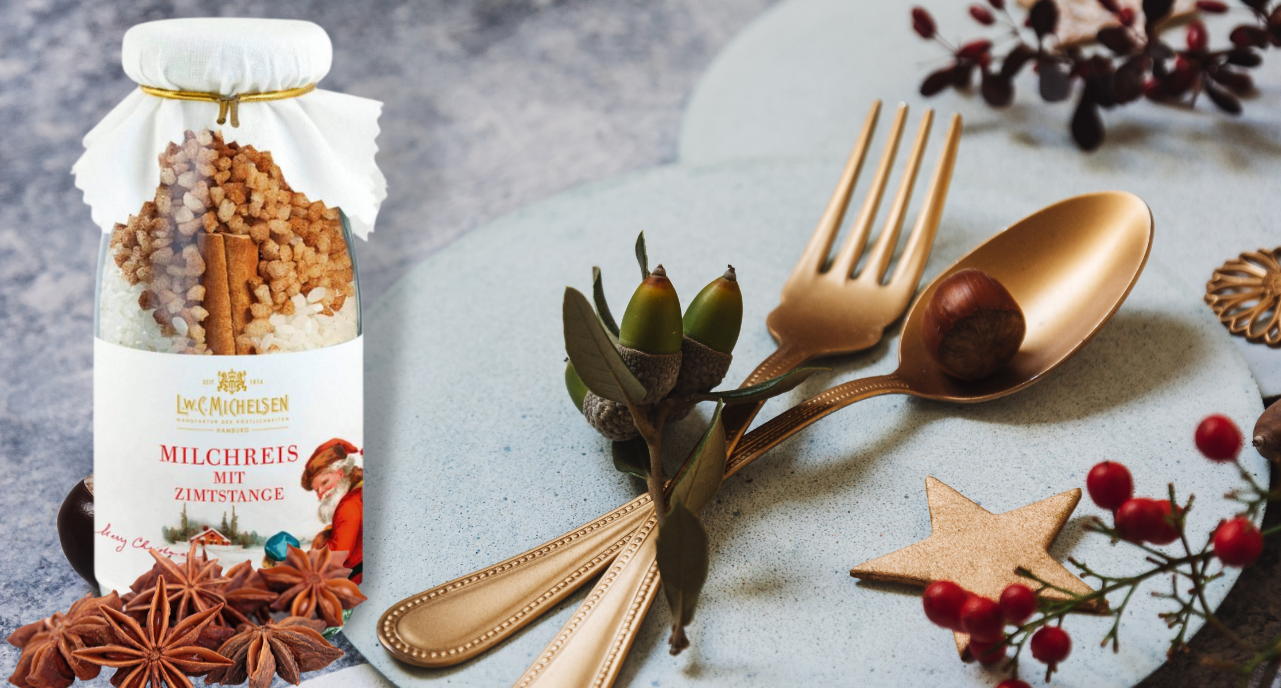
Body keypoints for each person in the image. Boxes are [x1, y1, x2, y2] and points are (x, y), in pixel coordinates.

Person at [300, 439, 363, 583]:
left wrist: (319, 545)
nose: (322, 493)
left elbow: (335, 557)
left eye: (325, 482)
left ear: (340, 473)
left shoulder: (348, 506)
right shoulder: (360, 493)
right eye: (317, 490)